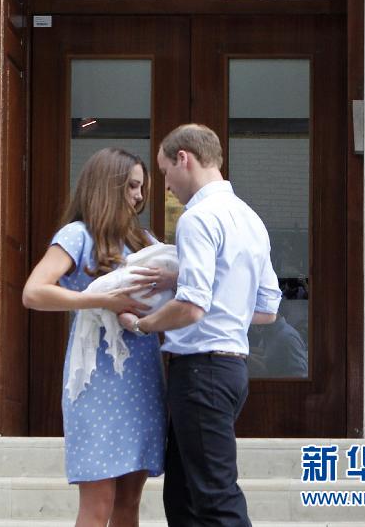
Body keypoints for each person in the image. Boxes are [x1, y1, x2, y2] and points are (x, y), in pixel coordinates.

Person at [119, 124, 282, 527]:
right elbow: (267, 309)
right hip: (229, 372)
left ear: (183, 158)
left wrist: (142, 324)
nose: (167, 186)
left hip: (200, 373)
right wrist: (188, 283)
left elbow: (192, 307)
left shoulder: (197, 219)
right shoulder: (250, 219)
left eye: (164, 172)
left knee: (213, 499)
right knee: (186, 496)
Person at [22, 148, 176, 527]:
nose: (140, 196)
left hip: (142, 374)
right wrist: (101, 299)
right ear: (109, 187)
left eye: (142, 187)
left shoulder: (144, 239)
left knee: (130, 501)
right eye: (133, 186)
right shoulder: (76, 235)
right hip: (95, 378)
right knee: (98, 501)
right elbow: (33, 292)